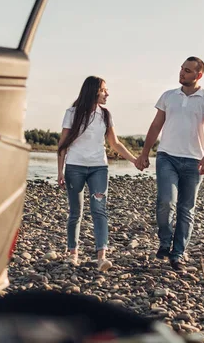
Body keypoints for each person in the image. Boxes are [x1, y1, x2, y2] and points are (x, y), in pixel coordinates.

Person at [135, 56, 204, 271]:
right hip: (166, 157)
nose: (182, 73)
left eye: (188, 71)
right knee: (165, 201)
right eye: (182, 69)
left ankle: (178, 254)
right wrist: (145, 153)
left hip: (193, 161)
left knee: (186, 209)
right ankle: (165, 242)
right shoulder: (168, 96)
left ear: (199, 75)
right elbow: (155, 126)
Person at [57, 76, 138, 272]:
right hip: (74, 167)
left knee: (99, 210)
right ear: (93, 91)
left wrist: (135, 160)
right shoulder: (72, 113)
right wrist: (60, 171)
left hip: (98, 168)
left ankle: (102, 256)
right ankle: (72, 254)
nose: (107, 93)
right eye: (104, 90)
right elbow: (62, 145)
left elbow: (114, 143)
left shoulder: (106, 114)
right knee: (75, 212)